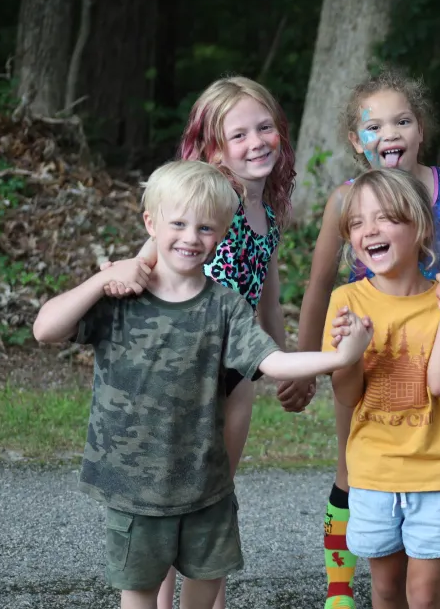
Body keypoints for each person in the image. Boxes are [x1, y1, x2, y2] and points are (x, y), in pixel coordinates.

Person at [32, 160, 373, 609]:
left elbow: (273, 361)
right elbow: (45, 329)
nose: (191, 238)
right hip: (135, 491)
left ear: (223, 232)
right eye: (178, 223)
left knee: (205, 592)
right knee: (138, 598)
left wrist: (340, 357)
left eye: (206, 228)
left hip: (205, 488)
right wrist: (102, 278)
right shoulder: (118, 297)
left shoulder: (226, 306)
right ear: (150, 222)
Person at [286, 67, 440, 609]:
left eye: (401, 120)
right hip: (361, 340)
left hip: (435, 319)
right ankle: (337, 587)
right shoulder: (346, 201)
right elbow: (320, 284)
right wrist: (307, 365)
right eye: (372, 126)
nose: (389, 133)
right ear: (356, 141)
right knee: (353, 469)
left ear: (421, 129)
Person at [101, 76, 309, 609]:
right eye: (238, 135)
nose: (256, 142)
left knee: (212, 500)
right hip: (186, 372)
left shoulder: (269, 210)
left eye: (265, 127)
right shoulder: (212, 201)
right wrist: (124, 275)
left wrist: (285, 364)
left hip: (236, 371)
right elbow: (151, 253)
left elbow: (266, 293)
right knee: (177, 506)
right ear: (214, 149)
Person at [325, 168, 440, 609]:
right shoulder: (347, 302)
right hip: (373, 473)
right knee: (388, 590)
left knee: (425, 593)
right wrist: (351, 351)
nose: (369, 230)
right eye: (356, 223)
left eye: (385, 218)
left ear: (421, 227)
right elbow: (346, 395)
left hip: (438, 473)